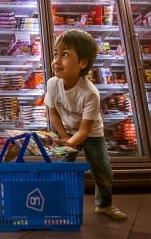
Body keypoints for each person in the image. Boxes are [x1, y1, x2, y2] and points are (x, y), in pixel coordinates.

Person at [44, 28, 126, 221]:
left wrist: (71, 142)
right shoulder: (52, 84)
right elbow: (53, 113)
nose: (56, 60)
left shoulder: (90, 93)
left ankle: (104, 205)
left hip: (92, 134)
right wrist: (64, 137)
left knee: (102, 170)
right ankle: (57, 203)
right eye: (56, 54)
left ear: (82, 63)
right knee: (62, 167)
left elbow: (85, 130)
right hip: (68, 131)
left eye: (64, 55)